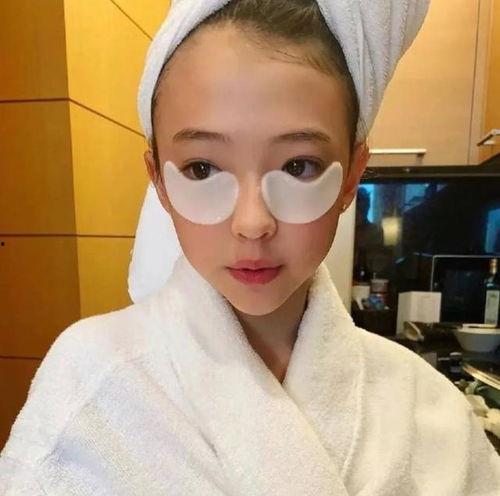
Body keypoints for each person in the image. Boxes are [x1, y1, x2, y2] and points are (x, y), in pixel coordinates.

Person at [2, 1, 500, 494]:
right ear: (159, 180)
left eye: (299, 166)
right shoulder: (87, 383)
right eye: (202, 169)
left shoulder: (432, 417)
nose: (252, 223)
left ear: (351, 175)